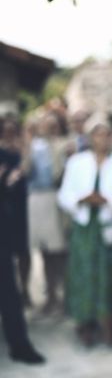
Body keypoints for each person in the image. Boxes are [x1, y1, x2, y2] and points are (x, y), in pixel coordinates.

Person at [57, 112, 112, 347]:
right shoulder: (77, 162)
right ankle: (85, 324)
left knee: (109, 275)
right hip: (84, 227)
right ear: (90, 137)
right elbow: (64, 195)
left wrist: (108, 201)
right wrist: (81, 200)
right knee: (84, 274)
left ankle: (111, 323)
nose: (102, 138)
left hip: (109, 227)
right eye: (97, 134)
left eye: (106, 134)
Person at [0, 147, 45, 365]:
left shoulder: (8, 157)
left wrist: (7, 182)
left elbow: (16, 196)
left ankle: (19, 346)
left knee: (8, 293)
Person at [24, 112, 68, 314]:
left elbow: (59, 175)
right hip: (36, 200)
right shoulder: (33, 146)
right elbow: (27, 170)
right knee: (43, 251)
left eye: (53, 124)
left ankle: (61, 295)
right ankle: (50, 295)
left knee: (58, 251)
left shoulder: (63, 145)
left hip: (54, 199)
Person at [0, 115, 31, 306]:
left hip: (23, 204)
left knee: (24, 250)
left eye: (13, 129)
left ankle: (25, 289)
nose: (10, 132)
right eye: (6, 129)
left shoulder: (24, 148)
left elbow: (28, 169)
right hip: (5, 204)